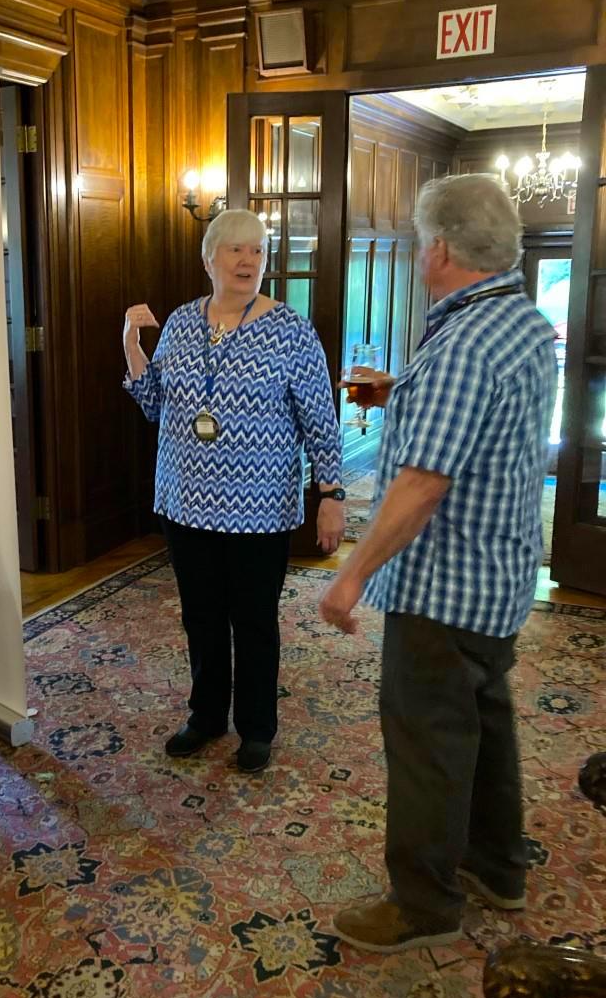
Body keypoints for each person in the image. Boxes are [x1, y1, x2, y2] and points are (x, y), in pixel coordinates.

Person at [319, 173, 557, 954]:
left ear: (443, 249)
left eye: (422, 242)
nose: (420, 255)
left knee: (427, 743)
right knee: (483, 723)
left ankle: (423, 903)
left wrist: (353, 573)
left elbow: (423, 486)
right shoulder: (522, 321)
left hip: (444, 587)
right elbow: (482, 426)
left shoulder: (463, 344)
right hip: (498, 579)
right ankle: (498, 866)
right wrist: (405, 397)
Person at [124, 208, 345, 773]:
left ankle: (256, 726)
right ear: (209, 259)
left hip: (259, 508)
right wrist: (131, 346)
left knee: (253, 621)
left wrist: (331, 495)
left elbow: (320, 420)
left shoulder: (291, 330)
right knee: (200, 617)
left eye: (257, 251)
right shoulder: (180, 322)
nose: (249, 261)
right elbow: (156, 406)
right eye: (236, 249)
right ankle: (205, 716)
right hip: (184, 501)